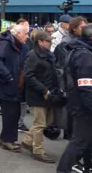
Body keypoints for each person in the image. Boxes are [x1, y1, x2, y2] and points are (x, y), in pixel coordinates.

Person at [56, 24, 92, 173]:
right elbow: (85, 86)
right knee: (81, 142)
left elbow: (88, 82)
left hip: (87, 105)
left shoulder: (82, 52)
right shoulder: (84, 55)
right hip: (87, 107)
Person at [21, 31, 58, 163]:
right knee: (40, 124)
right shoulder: (33, 55)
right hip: (38, 94)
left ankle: (27, 141)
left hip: (47, 93)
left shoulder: (47, 55)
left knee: (45, 122)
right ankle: (38, 150)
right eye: (48, 41)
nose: (51, 42)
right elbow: (29, 76)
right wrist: (43, 90)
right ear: (40, 42)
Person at [0, 24, 28, 153]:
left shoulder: (18, 45)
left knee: (14, 112)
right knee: (10, 113)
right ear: (17, 34)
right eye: (25, 34)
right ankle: (7, 140)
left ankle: (7, 139)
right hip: (6, 84)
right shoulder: (6, 44)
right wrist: (8, 76)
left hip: (13, 84)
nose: (27, 36)